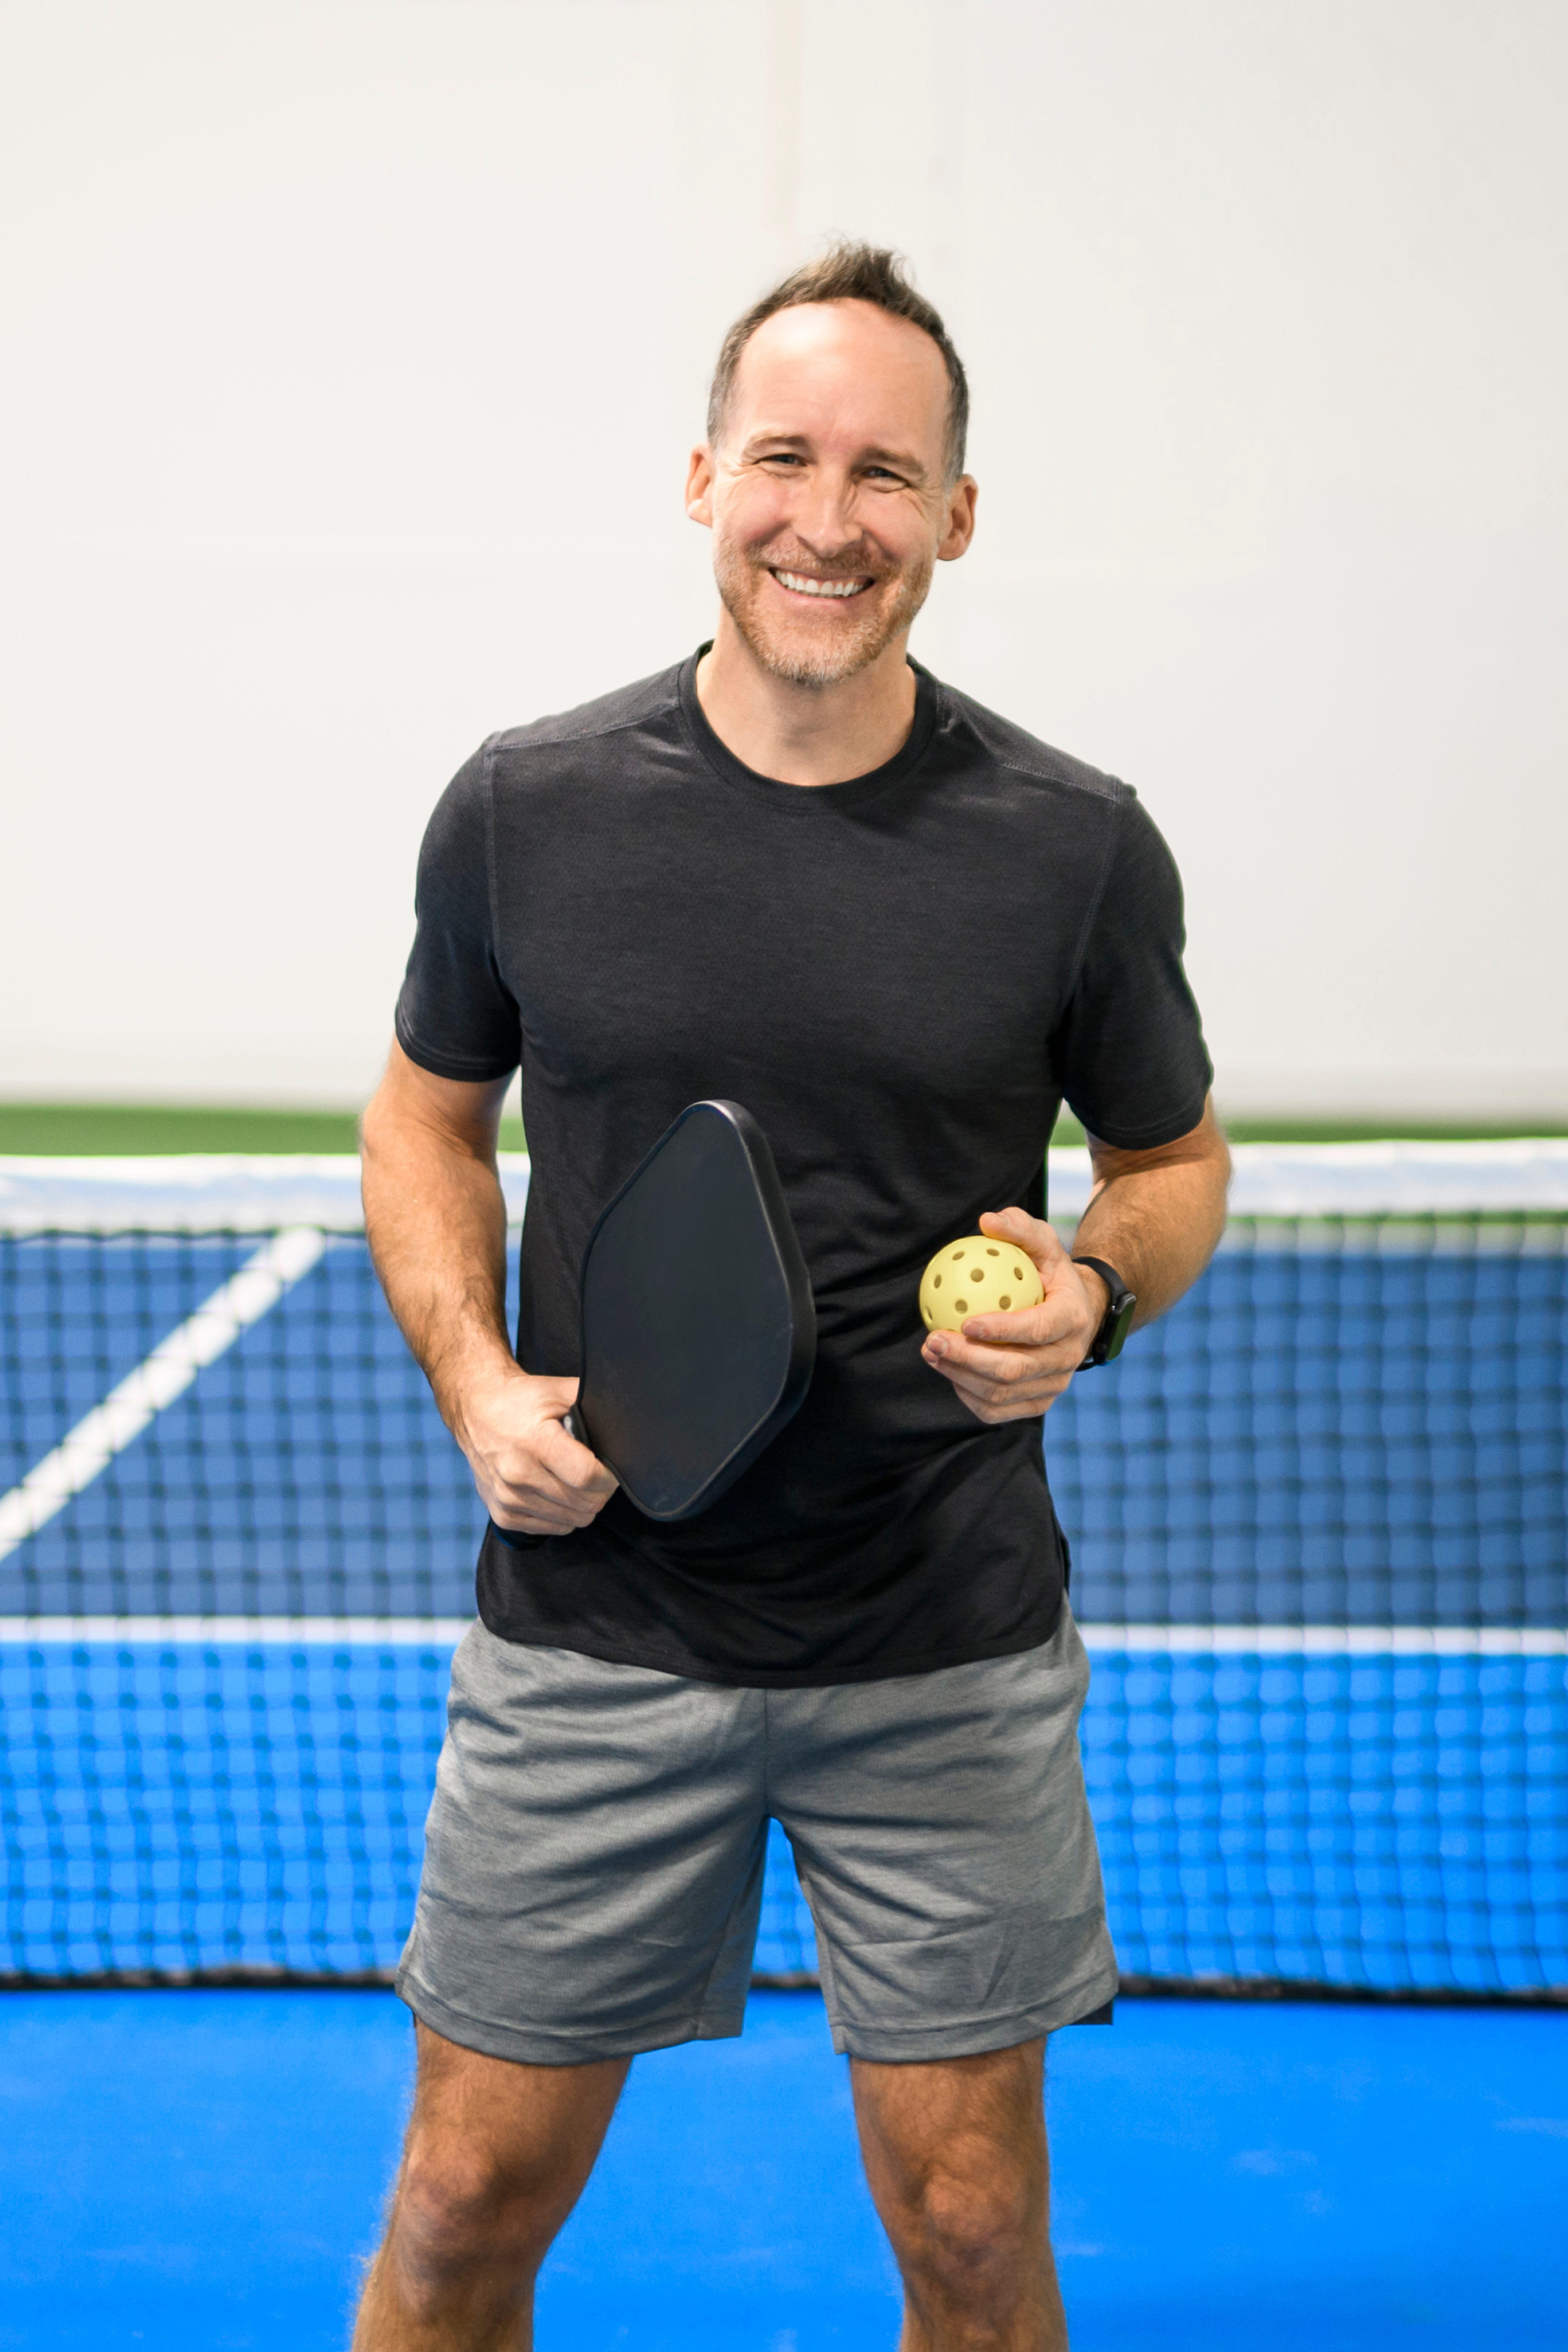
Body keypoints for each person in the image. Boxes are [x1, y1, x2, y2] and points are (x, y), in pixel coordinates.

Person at [353, 242, 1230, 2351]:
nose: (828, 521)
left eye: (885, 474)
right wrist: (479, 1380)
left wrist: (1091, 1295)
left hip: (937, 1641)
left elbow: (1172, 1165)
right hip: (597, 1628)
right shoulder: (527, 807)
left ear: (954, 515)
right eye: (785, 459)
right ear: (701, 479)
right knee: (465, 2204)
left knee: (964, 2230)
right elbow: (421, 1123)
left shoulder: (1073, 847)